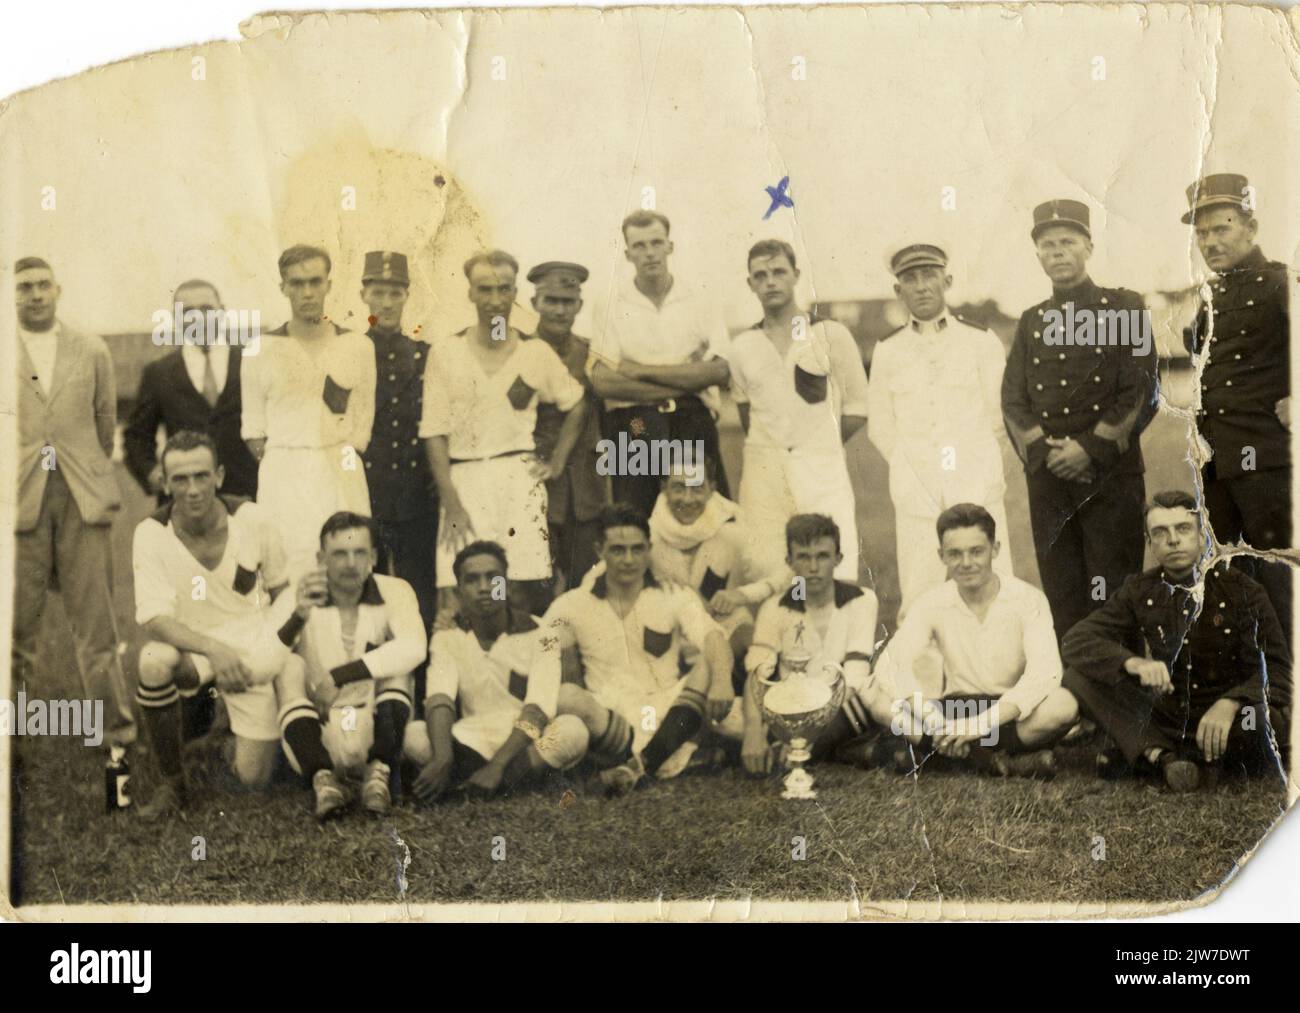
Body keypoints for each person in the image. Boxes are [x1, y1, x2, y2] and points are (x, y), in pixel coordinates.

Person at [1061, 490, 1292, 792]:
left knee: (1263, 720)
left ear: (1202, 536)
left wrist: (1232, 701)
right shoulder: (1140, 589)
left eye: (1183, 529)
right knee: (1079, 677)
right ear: (1150, 544)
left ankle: (1153, 756)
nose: (1173, 540)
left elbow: (1279, 671)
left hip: (1228, 720)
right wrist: (1133, 662)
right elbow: (1076, 640)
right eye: (1160, 532)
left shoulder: (1243, 590)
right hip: (1170, 714)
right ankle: (1171, 757)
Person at [1001, 199, 1158, 639]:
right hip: (1050, 483)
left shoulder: (1124, 308)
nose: (1057, 252)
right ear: (1037, 256)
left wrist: (1089, 449)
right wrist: (1045, 453)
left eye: (1068, 242)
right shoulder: (1032, 321)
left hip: (1110, 479)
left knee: (1113, 589)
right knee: (1063, 590)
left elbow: (1142, 388)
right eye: (1047, 245)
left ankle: (1119, 695)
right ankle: (1074, 692)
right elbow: (1013, 398)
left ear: (1088, 246)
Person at [132, 431, 300, 817]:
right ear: (164, 481)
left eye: (201, 476)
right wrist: (213, 650)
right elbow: (154, 616)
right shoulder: (151, 533)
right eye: (180, 479)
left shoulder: (251, 518)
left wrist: (263, 655)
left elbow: (282, 590)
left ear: (220, 476)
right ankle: (172, 782)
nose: (192, 489)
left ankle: (218, 738)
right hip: (198, 652)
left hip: (251, 653)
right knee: (153, 659)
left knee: (254, 779)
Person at [420, 249, 586, 616]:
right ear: (470, 293)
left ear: (514, 293)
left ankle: (521, 669)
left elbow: (576, 403)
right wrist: (450, 501)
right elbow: (433, 432)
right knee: (460, 591)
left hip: (518, 477)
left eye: (503, 289)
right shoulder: (446, 352)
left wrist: (556, 463)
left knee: (522, 589)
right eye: (485, 289)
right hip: (464, 477)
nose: (495, 300)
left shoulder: (536, 352)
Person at [13, 256, 135, 749]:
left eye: (43, 285)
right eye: (24, 288)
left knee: (96, 628)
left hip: (82, 495)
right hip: (20, 500)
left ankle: (115, 735)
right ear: (13, 296)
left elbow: (105, 424)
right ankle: (11, 740)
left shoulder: (91, 349)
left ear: (58, 290)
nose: (36, 294)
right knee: (15, 630)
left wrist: (81, 467)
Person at [869, 503, 1078, 778]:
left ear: (996, 549)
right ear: (941, 555)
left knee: (1063, 705)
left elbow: (1046, 673)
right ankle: (993, 761)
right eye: (955, 553)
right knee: (879, 701)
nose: (966, 563)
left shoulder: (1027, 599)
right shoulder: (932, 602)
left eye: (976, 551)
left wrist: (981, 725)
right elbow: (892, 664)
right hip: (956, 710)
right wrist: (934, 722)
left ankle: (947, 758)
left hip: (1008, 714)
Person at [545, 503, 735, 795]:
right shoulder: (574, 604)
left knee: (711, 662)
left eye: (637, 549)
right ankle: (668, 757)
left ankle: (641, 765)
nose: (628, 559)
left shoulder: (672, 595)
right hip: (611, 718)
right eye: (618, 550)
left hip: (668, 710)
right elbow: (539, 652)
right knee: (567, 697)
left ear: (649, 549)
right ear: (600, 550)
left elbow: (713, 637)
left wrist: (722, 682)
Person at [869, 243, 1013, 615]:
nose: (921, 287)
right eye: (910, 279)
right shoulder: (888, 350)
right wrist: (911, 468)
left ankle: (997, 670)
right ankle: (923, 672)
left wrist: (975, 465)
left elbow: (1000, 417)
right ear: (898, 292)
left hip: (976, 481)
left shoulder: (980, 341)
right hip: (919, 490)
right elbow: (881, 426)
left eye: (929, 276)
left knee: (994, 586)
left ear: (946, 280)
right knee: (920, 594)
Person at [1181, 173, 1292, 636]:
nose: (1209, 241)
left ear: (1251, 227)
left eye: (1221, 228)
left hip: (1267, 465)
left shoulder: (1282, 283)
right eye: (1202, 233)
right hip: (1220, 468)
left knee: (1280, 583)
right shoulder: (1212, 297)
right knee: (1238, 586)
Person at [726, 240, 868, 584]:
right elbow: (747, 413)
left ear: (796, 275)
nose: (770, 282)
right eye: (760, 275)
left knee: (832, 561)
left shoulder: (831, 334)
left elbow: (858, 407)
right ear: (750, 284)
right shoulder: (743, 345)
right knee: (764, 564)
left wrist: (820, 445)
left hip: (820, 463)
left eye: (778, 272)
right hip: (764, 465)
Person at [275, 511, 427, 819]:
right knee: (288, 666)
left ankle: (379, 774)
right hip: (318, 732)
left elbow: (415, 647)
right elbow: (264, 660)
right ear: (321, 558)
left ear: (373, 555)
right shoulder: (299, 594)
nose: (350, 563)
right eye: (339, 553)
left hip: (378, 728)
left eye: (359, 552)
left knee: (399, 667)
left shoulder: (395, 590)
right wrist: (297, 618)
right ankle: (323, 781)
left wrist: (341, 675)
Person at [410, 541, 589, 803]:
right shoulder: (447, 636)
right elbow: (440, 698)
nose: (484, 588)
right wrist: (442, 756)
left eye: (493, 578)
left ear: (507, 584)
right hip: (471, 738)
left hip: (522, 743)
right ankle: (513, 783)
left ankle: (486, 782)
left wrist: (497, 766)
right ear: (458, 591)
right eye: (472, 580)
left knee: (573, 730)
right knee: (414, 735)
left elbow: (539, 708)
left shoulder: (541, 633)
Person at [242, 244, 375, 575]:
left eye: (315, 282)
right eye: (297, 284)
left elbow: (362, 422)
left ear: (329, 285)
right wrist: (289, 460)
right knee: (288, 569)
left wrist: (337, 456)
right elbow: (253, 430)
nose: (307, 292)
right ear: (283, 288)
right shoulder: (260, 349)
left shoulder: (358, 345)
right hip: (284, 473)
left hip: (340, 469)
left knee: (349, 565)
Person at [588, 211, 732, 517]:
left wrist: (639, 370)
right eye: (639, 246)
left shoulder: (700, 297)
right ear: (628, 254)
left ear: (671, 246)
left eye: (656, 242)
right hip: (634, 423)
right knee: (635, 517)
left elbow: (720, 370)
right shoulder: (611, 302)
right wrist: (688, 377)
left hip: (692, 419)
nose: (649, 252)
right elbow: (603, 382)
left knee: (704, 513)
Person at [740, 515, 881, 778]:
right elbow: (756, 676)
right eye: (804, 557)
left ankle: (809, 749)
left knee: (871, 698)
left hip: (840, 706)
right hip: (790, 708)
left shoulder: (862, 601)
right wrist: (752, 733)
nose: (813, 566)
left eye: (823, 556)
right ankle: (847, 750)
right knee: (735, 722)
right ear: (789, 562)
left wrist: (810, 736)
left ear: (838, 559)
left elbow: (854, 678)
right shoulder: (774, 607)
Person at [357, 251, 439, 646]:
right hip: (364, 493)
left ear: (407, 296)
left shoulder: (425, 356)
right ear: (363, 296)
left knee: (418, 593)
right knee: (366, 593)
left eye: (394, 293)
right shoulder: (349, 352)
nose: (386, 303)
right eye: (378, 293)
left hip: (415, 498)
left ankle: (419, 689)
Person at [124, 277, 259, 502]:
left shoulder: (252, 361)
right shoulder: (159, 373)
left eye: (207, 309)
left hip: (250, 493)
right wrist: (153, 472)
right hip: (186, 502)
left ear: (223, 312)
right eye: (187, 312)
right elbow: (137, 436)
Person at [524, 260, 610, 591]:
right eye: (551, 301)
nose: (560, 311)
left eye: (567, 302)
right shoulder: (519, 350)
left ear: (579, 305)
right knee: (536, 583)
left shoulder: (591, 353)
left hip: (586, 488)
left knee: (585, 583)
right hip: (537, 481)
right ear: (535, 303)